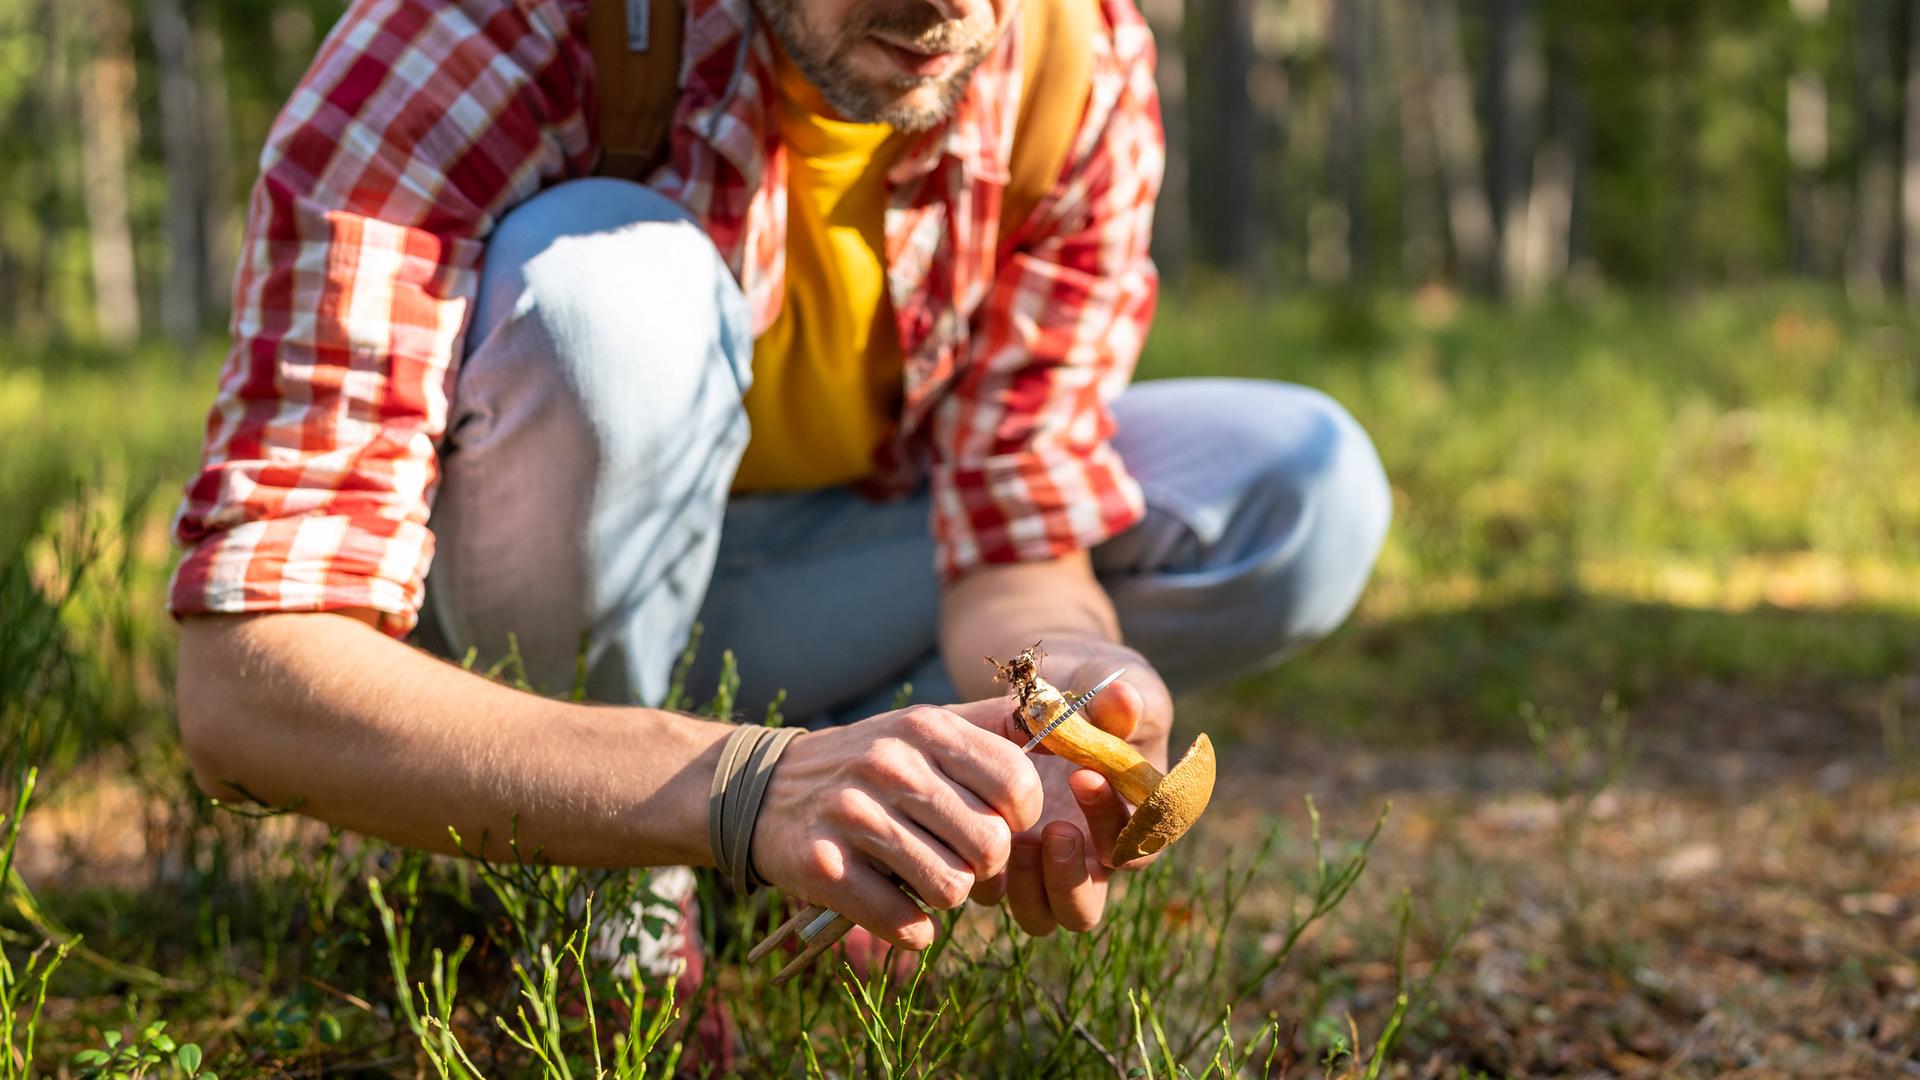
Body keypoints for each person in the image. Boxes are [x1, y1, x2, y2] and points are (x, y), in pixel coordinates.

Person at [169, 0, 1391, 954]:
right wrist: (746, 786)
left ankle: (852, 847)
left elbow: (1017, 535)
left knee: (1295, 485)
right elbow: (247, 686)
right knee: (608, 290)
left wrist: (1070, 688)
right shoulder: (493, 30)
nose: (938, 11)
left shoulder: (1072, 57)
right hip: (505, 621)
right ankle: (617, 910)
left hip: (795, 591)